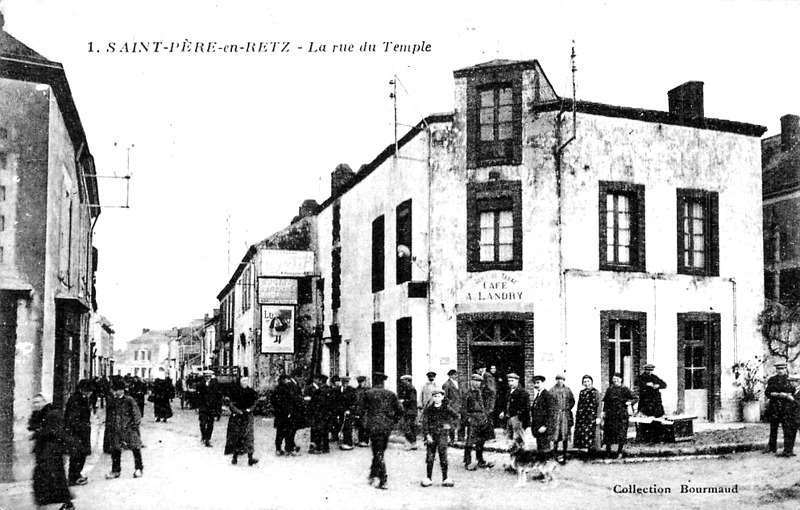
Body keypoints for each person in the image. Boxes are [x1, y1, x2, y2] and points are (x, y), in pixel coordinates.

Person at [29, 392, 74, 510]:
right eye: (34, 403)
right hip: (43, 450)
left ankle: (63, 503)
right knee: (49, 477)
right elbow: (32, 426)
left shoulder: (53, 413)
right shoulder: (38, 414)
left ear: (45, 402)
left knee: (52, 477)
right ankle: (59, 503)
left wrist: (39, 432)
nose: (36, 405)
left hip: (52, 451)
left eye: (38, 402)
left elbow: (55, 431)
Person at [360, 372, 403, 490]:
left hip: (373, 427)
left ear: (374, 381)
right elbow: (400, 411)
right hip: (386, 428)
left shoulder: (367, 393)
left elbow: (361, 411)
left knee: (377, 453)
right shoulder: (391, 394)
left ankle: (383, 479)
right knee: (379, 451)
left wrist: (365, 424)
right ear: (383, 382)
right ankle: (373, 474)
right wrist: (392, 422)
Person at [104, 377, 144, 479]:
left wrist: (134, 425)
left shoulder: (129, 400)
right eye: (114, 390)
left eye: (116, 390)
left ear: (122, 390)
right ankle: (115, 471)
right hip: (117, 429)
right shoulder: (112, 401)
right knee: (115, 450)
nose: (115, 392)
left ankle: (138, 468)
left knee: (135, 448)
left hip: (129, 429)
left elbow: (136, 414)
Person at [420, 388, 459, 488]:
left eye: (439, 396)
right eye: (435, 396)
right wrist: (427, 435)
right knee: (430, 457)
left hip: (442, 435)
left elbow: (456, 417)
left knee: (443, 456)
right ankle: (428, 478)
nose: (437, 398)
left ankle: (445, 478)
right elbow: (425, 423)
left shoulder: (446, 408)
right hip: (431, 436)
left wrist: (450, 427)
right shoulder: (429, 409)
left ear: (442, 397)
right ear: (432, 398)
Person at [462, 373, 495, 470]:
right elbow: (463, 408)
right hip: (473, 418)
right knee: (470, 442)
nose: (477, 384)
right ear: (471, 381)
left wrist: (485, 417)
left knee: (481, 441)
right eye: (475, 381)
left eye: (479, 381)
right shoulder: (467, 393)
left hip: (482, 418)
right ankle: (467, 462)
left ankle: (480, 460)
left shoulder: (480, 393)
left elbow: (484, 406)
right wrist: (468, 419)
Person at [224, 377, 259, 466]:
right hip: (237, 417)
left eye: (246, 381)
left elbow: (255, 403)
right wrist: (237, 411)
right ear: (240, 382)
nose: (245, 383)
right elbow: (231, 404)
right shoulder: (234, 392)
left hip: (248, 417)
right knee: (237, 436)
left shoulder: (251, 392)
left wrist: (249, 410)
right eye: (243, 381)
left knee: (249, 437)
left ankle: (250, 458)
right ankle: (235, 457)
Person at [64, 379, 93, 486]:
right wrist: (81, 428)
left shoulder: (82, 398)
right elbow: (73, 418)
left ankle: (77, 475)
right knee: (77, 455)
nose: (90, 393)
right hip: (77, 432)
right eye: (89, 390)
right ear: (83, 390)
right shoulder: (76, 399)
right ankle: (74, 476)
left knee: (81, 454)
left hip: (82, 431)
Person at [601, 372, 637, 459]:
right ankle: (608, 452)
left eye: (617, 379)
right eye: (614, 379)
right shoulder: (610, 389)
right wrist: (604, 412)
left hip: (621, 414)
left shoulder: (625, 389)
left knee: (621, 434)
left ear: (621, 380)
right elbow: (605, 401)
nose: (616, 381)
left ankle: (620, 452)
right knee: (608, 433)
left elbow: (635, 397)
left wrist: (629, 402)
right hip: (611, 414)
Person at [765, 361, 794, 454]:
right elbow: (767, 392)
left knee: (787, 429)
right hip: (774, 407)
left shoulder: (789, 380)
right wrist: (776, 394)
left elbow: (793, 392)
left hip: (786, 407)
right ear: (776, 370)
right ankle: (772, 447)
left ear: (786, 369)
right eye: (778, 369)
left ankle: (787, 449)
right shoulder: (772, 380)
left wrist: (785, 395)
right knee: (773, 428)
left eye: (782, 369)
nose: (780, 371)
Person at [573, 375, 602, 458]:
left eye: (588, 381)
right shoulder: (582, 392)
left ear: (591, 382)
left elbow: (598, 405)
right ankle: (586, 453)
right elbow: (579, 404)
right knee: (584, 434)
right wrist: (578, 415)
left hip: (592, 416)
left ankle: (593, 453)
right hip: (583, 417)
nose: (586, 383)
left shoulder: (595, 392)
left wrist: (598, 417)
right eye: (585, 382)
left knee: (592, 434)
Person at [499, 373, 530, 449]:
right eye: (509, 381)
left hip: (517, 418)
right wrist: (503, 411)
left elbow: (526, 407)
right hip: (509, 416)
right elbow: (506, 403)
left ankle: (523, 452)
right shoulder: (509, 391)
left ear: (517, 381)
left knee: (519, 436)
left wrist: (521, 418)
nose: (510, 383)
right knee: (509, 435)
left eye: (512, 381)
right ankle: (513, 451)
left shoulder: (522, 392)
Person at [549, 374, 575, 463]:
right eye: (558, 379)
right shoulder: (552, 390)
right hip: (555, 415)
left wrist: (567, 408)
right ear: (556, 380)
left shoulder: (567, 390)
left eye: (562, 379)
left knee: (565, 434)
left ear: (564, 380)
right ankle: (555, 454)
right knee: (555, 435)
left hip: (565, 414)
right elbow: (549, 402)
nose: (560, 381)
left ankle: (564, 454)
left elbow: (572, 400)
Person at [271, 374, 298, 456]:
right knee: (288, 432)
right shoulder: (286, 389)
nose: (288, 381)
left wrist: (277, 410)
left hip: (279, 414)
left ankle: (278, 449)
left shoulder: (277, 389)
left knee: (280, 432)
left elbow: (273, 400)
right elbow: (289, 401)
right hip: (286, 413)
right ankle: (288, 449)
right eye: (286, 379)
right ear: (283, 380)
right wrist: (289, 411)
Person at [304, 374, 331, 454]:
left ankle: (318, 448)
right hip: (327, 414)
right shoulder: (329, 389)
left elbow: (317, 403)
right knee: (325, 431)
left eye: (319, 380)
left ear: (321, 381)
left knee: (319, 430)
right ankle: (326, 448)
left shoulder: (319, 391)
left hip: (319, 414)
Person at [530, 375, 556, 454]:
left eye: (538, 383)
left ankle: (545, 464)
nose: (536, 385)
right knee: (540, 448)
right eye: (535, 383)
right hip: (538, 426)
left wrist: (545, 425)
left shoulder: (547, 395)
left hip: (544, 428)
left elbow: (551, 413)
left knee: (545, 449)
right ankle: (541, 464)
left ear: (543, 383)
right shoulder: (538, 395)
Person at [197, 370, 222, 447]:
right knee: (202, 423)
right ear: (204, 377)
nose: (208, 378)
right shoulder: (200, 384)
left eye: (209, 376)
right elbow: (197, 396)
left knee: (210, 423)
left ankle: (207, 439)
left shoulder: (215, 384)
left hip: (212, 407)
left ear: (211, 377)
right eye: (206, 376)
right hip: (203, 407)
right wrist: (197, 406)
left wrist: (218, 408)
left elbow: (218, 396)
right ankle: (203, 436)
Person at [778, 374, 800, 457]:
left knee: (791, 433)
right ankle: (788, 451)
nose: (791, 383)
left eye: (793, 381)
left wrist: (791, 398)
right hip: (791, 415)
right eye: (790, 381)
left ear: (798, 382)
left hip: (797, 416)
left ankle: (788, 451)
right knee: (789, 433)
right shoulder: (794, 390)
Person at [398, 375, 419, 450]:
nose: (402, 382)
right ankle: (413, 443)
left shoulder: (410, 389)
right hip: (409, 411)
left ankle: (411, 443)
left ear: (407, 380)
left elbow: (412, 400)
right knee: (411, 427)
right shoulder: (408, 388)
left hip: (410, 411)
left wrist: (403, 401)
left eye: (403, 380)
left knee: (408, 427)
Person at [442, 369, 463, 442]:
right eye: (454, 375)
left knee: (459, 421)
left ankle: (460, 438)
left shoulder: (458, 383)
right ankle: (452, 439)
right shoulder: (447, 384)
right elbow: (445, 397)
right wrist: (449, 404)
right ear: (450, 375)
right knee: (452, 423)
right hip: (452, 406)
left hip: (459, 405)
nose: (456, 376)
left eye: (456, 374)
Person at [338, 376, 358, 450]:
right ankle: (344, 441)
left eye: (346, 382)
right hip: (340, 411)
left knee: (348, 427)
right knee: (342, 426)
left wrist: (350, 410)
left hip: (349, 412)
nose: (345, 384)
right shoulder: (338, 389)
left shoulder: (352, 390)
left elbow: (355, 401)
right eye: (343, 382)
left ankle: (349, 443)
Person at [354, 375, 370, 447]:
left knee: (365, 425)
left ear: (364, 382)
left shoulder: (368, 390)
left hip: (365, 409)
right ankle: (360, 440)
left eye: (362, 382)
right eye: (359, 382)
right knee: (359, 425)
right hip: (358, 409)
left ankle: (365, 441)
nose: (360, 383)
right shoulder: (356, 390)